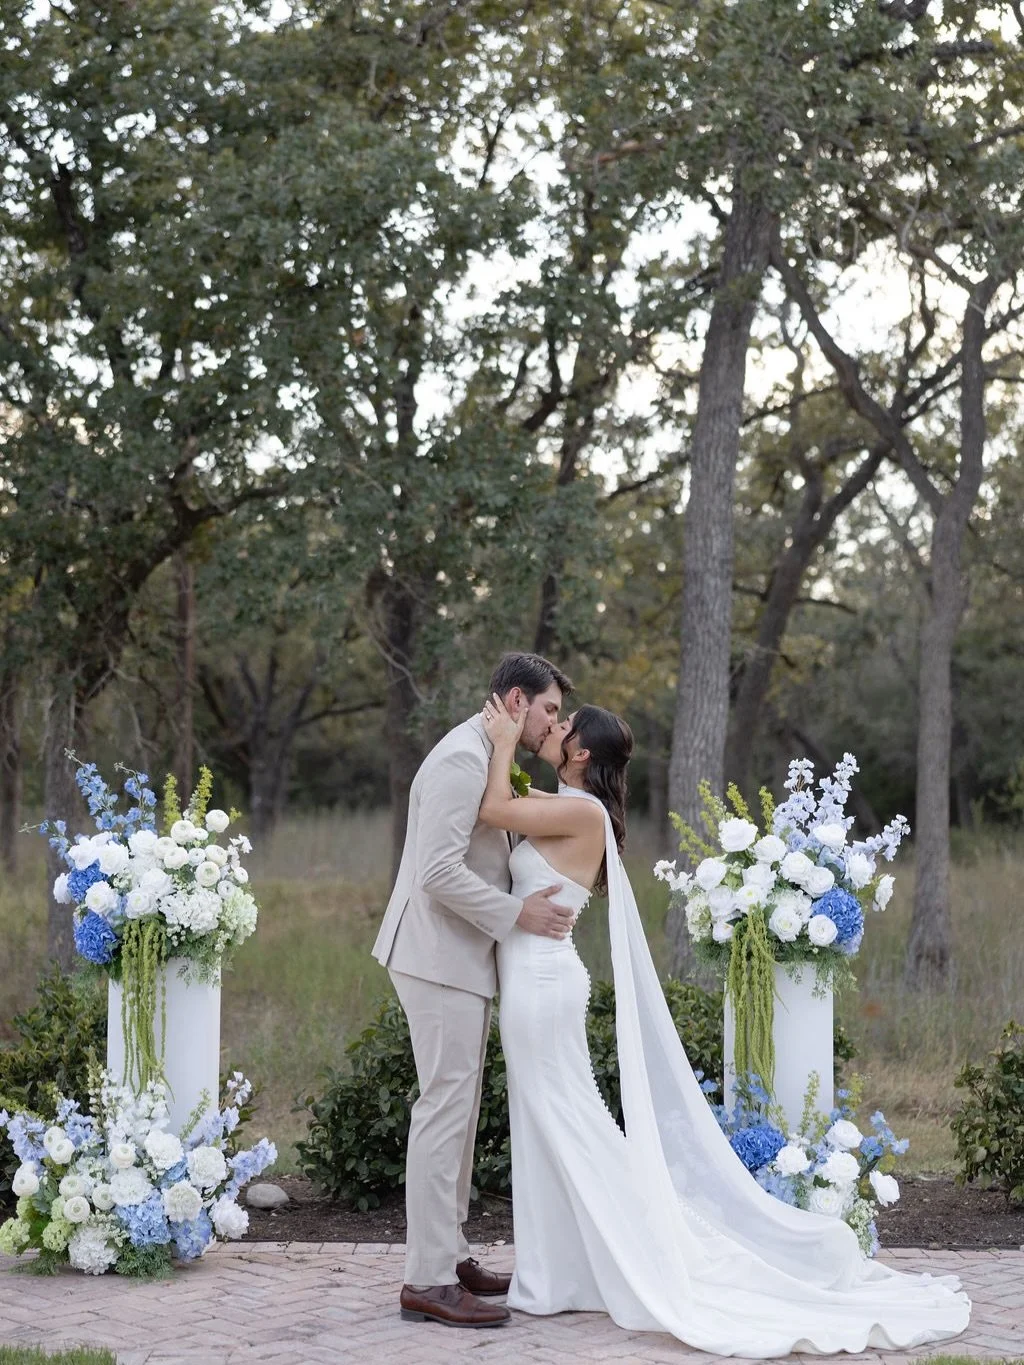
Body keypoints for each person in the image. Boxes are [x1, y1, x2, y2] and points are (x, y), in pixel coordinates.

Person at [477, 693, 971, 1357]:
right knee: (551, 1124)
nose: (553, 728)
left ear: (581, 751)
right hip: (534, 980)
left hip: (541, 985)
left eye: (562, 725)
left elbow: (495, 811)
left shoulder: (582, 810)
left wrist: (502, 737)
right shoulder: (569, 805)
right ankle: (561, 1269)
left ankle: (594, 1263)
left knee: (565, 1124)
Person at [371, 651, 574, 1329]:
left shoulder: (487, 750)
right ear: (517, 700)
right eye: (549, 708)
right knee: (443, 1111)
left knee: (456, 1114)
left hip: (459, 958)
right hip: (434, 956)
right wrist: (518, 913)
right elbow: (435, 871)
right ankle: (425, 1279)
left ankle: (450, 1253)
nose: (556, 722)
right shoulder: (463, 758)